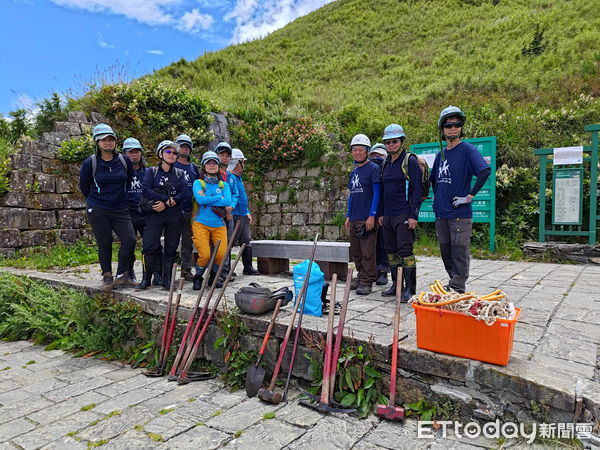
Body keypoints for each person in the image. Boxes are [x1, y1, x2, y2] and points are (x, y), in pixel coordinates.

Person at [430, 106, 490, 293]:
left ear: (461, 127)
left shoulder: (467, 150)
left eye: (456, 124)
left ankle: (457, 286)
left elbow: (484, 171)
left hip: (459, 214)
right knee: (446, 251)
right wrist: (437, 201)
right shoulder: (441, 155)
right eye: (448, 125)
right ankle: (453, 281)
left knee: (459, 250)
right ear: (442, 129)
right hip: (442, 214)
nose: (452, 128)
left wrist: (469, 196)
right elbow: (434, 181)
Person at [79, 124, 136, 290]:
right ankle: (107, 276)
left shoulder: (123, 161)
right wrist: (95, 203)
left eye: (111, 139)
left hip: (120, 208)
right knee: (105, 242)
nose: (108, 143)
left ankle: (121, 275)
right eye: (104, 140)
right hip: (98, 208)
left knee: (130, 239)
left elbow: (129, 179)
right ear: (97, 142)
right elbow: (84, 186)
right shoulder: (91, 163)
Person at [379, 124, 423, 301]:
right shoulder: (385, 163)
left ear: (402, 142)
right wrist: (381, 214)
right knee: (390, 251)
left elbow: (417, 190)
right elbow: (383, 190)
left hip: (404, 214)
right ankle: (397, 285)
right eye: (388, 142)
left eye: (394, 141)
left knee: (405, 250)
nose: (391, 145)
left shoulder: (410, 161)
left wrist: (414, 215)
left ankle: (410, 289)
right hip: (388, 215)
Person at [136, 141, 187, 290]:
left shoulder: (179, 173)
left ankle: (167, 280)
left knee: (171, 248)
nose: (172, 155)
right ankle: (146, 279)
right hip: (155, 215)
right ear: (160, 154)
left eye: (175, 153)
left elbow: (184, 193)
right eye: (168, 152)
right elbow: (145, 190)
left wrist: (169, 203)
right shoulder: (151, 172)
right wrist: (166, 200)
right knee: (149, 246)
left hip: (174, 215)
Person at [344, 134, 381, 295]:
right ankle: (361, 276)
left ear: (367, 151)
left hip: (367, 218)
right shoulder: (353, 172)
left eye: (361, 150)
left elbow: (377, 192)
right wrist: (348, 215)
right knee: (356, 251)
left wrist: (372, 215)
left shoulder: (373, 168)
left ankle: (367, 280)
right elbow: (352, 195)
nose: (358, 152)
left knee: (368, 252)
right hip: (354, 218)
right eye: (355, 150)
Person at [191, 151, 232, 290]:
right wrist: (218, 199)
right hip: (200, 224)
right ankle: (198, 276)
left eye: (214, 162)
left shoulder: (223, 185)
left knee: (221, 254)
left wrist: (209, 200)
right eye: (208, 162)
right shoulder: (198, 183)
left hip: (218, 224)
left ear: (218, 165)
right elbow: (200, 199)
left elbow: (228, 200)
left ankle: (213, 276)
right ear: (204, 166)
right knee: (205, 254)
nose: (212, 165)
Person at [228, 148, 260, 275]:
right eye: (243, 162)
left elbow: (242, 197)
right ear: (237, 162)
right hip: (233, 214)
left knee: (246, 240)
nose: (244, 165)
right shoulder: (229, 177)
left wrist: (247, 211)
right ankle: (227, 269)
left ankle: (248, 267)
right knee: (230, 241)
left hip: (242, 213)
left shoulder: (239, 178)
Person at [174, 134, 200, 282]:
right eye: (181, 146)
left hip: (190, 209)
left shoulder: (193, 168)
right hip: (173, 209)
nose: (184, 149)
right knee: (171, 240)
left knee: (187, 242)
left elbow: (198, 188)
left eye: (187, 146)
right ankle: (166, 272)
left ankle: (186, 270)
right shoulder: (171, 165)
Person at [123, 137, 146, 283]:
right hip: (127, 213)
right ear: (125, 154)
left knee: (150, 244)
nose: (134, 155)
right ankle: (128, 271)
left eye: (137, 151)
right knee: (129, 244)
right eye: (130, 152)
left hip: (145, 212)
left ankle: (148, 272)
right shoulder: (120, 172)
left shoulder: (148, 172)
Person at [215, 142, 237, 280]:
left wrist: (232, 206)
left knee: (228, 242)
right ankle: (217, 270)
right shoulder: (212, 174)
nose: (224, 158)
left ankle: (226, 270)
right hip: (215, 215)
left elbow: (235, 194)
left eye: (227, 155)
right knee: (217, 243)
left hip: (229, 214)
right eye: (221, 154)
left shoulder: (231, 177)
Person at [368, 143, 389, 286]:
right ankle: (373, 270)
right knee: (371, 243)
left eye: (379, 155)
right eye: (374, 155)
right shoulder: (367, 170)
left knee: (384, 242)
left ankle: (383, 271)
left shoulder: (388, 169)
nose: (376, 158)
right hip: (370, 211)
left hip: (385, 210)